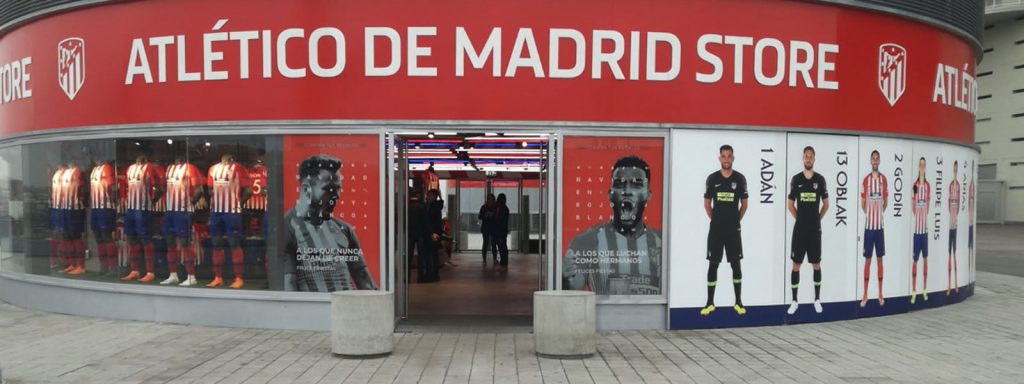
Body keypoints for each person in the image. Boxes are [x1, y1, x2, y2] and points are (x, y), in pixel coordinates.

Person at [563, 156, 662, 295]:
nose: (627, 191)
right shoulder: (586, 241)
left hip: (651, 317)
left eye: (637, 184)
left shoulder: (663, 242)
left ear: (648, 195)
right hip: (604, 317)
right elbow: (573, 291)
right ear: (610, 194)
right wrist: (566, 279)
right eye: (620, 184)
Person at [283, 155, 377, 292]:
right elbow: (288, 288)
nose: (337, 196)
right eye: (329, 189)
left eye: (338, 188)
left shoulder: (344, 229)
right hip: (314, 311)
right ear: (306, 190)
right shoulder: (287, 227)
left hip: (347, 310)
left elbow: (364, 280)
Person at [700, 145, 748, 316]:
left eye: (729, 156)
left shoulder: (740, 179)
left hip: (733, 230)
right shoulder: (712, 179)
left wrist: (735, 220)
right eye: (723, 156)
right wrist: (717, 221)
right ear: (719, 158)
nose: (726, 159)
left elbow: (745, 204)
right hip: (716, 230)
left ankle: (738, 302)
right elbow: (707, 204)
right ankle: (710, 302)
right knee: (713, 264)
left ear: (733, 158)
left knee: (736, 265)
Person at [787, 146, 829, 315]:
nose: (808, 159)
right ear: (803, 159)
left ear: (814, 159)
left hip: (814, 230)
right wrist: (800, 219)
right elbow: (790, 205)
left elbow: (826, 205)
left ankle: (817, 299)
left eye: (811, 156)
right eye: (806, 156)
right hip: (800, 230)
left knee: (816, 264)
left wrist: (816, 219)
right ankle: (794, 300)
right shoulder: (796, 180)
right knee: (796, 265)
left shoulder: (820, 179)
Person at [159, 156, 205, 286]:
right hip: (170, 211)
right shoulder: (169, 169)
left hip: (183, 211)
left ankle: (191, 276)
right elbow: (162, 187)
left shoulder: (190, 168)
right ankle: (173, 274)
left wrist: (189, 204)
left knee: (185, 242)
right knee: (170, 242)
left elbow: (199, 191)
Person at [206, 154, 251, 288]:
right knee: (216, 243)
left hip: (232, 212)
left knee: (234, 243)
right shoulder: (213, 169)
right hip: (216, 212)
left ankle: (238, 278)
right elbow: (209, 188)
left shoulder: (239, 168)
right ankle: (218, 277)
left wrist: (237, 203)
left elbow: (248, 191)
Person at [121, 155, 163, 283]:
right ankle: (135, 270)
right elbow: (126, 186)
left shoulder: (149, 167)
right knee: (132, 238)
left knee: (145, 238)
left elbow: (159, 187)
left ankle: (150, 272)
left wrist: (151, 201)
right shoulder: (130, 168)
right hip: (131, 208)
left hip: (143, 208)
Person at [860, 150, 889, 307]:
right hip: (869, 228)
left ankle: (880, 293)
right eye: (873, 159)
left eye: (877, 159)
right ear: (870, 161)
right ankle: (865, 294)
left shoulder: (884, 180)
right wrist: (870, 213)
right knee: (868, 260)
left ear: (879, 161)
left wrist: (879, 212)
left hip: (880, 228)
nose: (875, 161)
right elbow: (863, 204)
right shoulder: (866, 180)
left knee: (880, 260)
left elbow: (886, 201)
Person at [89, 159, 118, 276]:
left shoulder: (107, 168)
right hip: (95, 207)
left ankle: (113, 267)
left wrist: (114, 203)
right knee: (98, 235)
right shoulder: (94, 170)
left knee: (106, 235)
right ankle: (104, 267)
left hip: (105, 206)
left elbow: (113, 186)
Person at [910, 157, 930, 304]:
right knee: (915, 260)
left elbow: (928, 205)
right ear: (918, 167)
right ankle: (914, 291)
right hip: (917, 231)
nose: (922, 167)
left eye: (924, 165)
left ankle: (924, 289)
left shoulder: (928, 186)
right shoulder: (915, 185)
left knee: (925, 259)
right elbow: (913, 205)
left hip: (925, 230)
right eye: (920, 164)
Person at [420, 188, 445, 282]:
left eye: (429, 195)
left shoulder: (435, 207)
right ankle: (431, 273)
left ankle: (433, 273)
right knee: (429, 255)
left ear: (434, 197)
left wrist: (433, 233)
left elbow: (435, 222)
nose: (427, 197)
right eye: (427, 195)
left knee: (432, 254)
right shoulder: (427, 206)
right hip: (428, 233)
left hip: (433, 234)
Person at [947, 160, 961, 296]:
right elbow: (947, 203)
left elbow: (959, 204)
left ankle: (956, 283)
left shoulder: (958, 186)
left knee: (954, 253)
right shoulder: (950, 185)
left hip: (955, 225)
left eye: (957, 168)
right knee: (949, 254)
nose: (955, 170)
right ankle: (949, 285)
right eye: (954, 168)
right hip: (950, 225)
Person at [493, 193, 511, 270]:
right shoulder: (499, 208)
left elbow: (501, 221)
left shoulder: (503, 209)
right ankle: (503, 261)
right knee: (501, 246)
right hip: (500, 230)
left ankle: (504, 261)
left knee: (502, 246)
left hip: (501, 231)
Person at [478, 193, 497, 264]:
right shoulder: (484, 207)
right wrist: (485, 215)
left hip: (493, 227)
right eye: (488, 199)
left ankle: (495, 258)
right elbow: (479, 216)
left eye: (491, 199)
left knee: (494, 244)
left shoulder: (495, 207)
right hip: (485, 228)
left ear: (493, 199)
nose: (489, 200)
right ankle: (484, 259)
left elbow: (498, 217)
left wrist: (493, 215)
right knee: (485, 243)